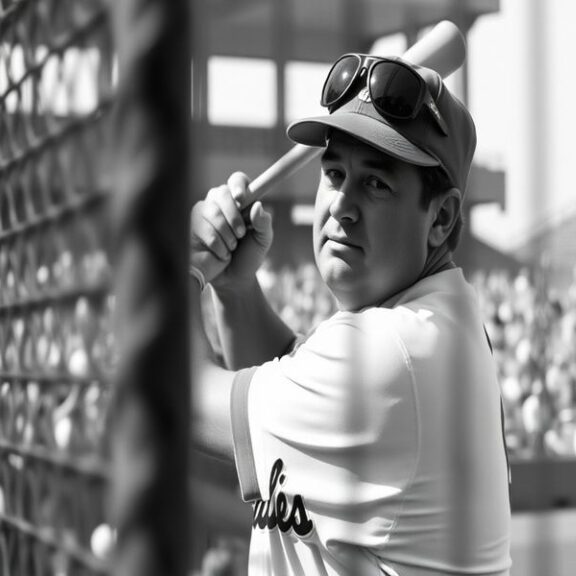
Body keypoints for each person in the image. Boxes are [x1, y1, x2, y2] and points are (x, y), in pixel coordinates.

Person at [190, 52, 512, 576]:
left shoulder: (395, 352)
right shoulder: (431, 324)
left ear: (442, 216)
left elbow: (172, 395)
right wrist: (236, 288)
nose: (341, 204)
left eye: (376, 183)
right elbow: (285, 380)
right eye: (335, 173)